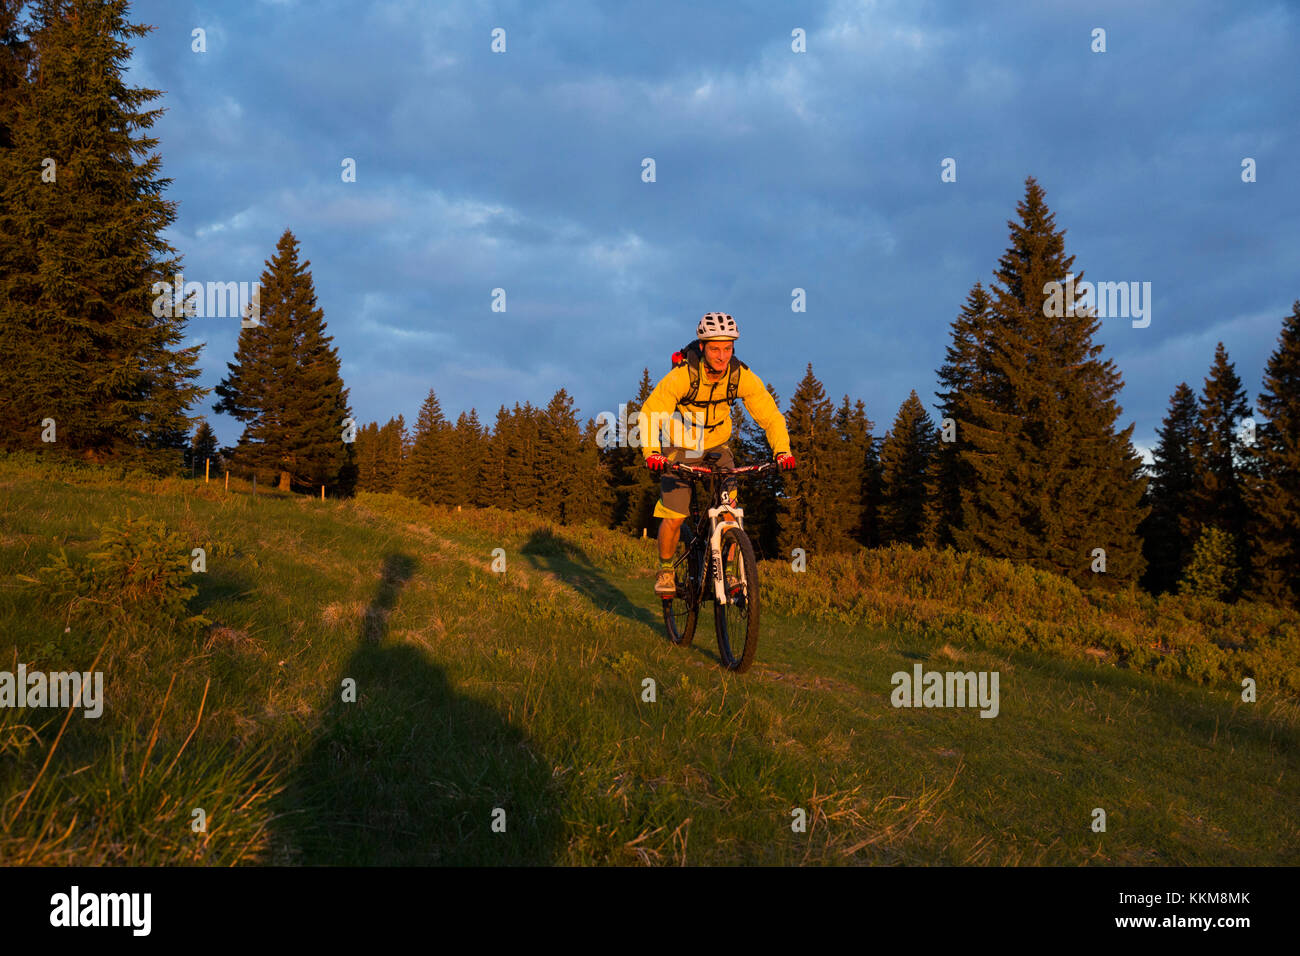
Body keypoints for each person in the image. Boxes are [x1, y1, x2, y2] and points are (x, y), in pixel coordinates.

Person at [638, 312, 797, 595]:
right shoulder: (682, 376)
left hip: (718, 448)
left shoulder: (740, 376)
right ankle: (665, 569)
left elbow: (771, 416)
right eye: (714, 349)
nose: (722, 356)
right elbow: (651, 414)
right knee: (674, 516)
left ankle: (734, 574)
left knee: (731, 515)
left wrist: (782, 451)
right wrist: (652, 452)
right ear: (702, 347)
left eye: (727, 348)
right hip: (681, 449)